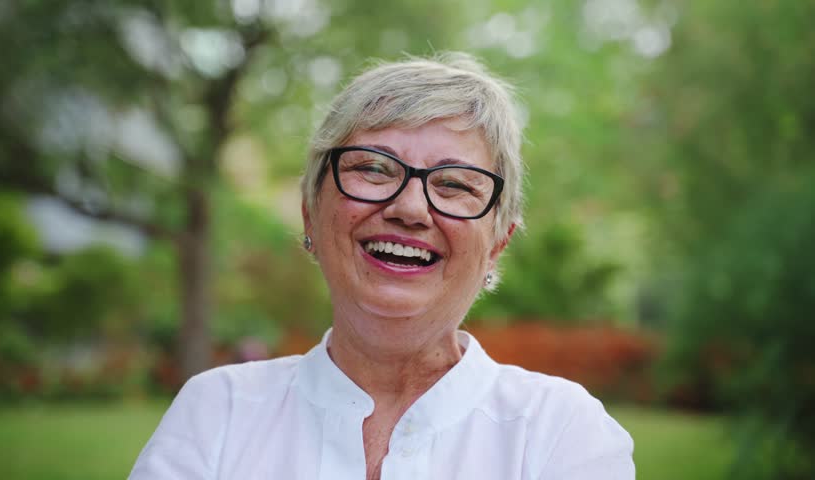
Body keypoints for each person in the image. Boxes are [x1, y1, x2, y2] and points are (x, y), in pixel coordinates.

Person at [129, 52, 634, 480]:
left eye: (454, 184)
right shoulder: (218, 412)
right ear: (310, 214)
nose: (410, 209)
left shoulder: (560, 431)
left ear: (498, 244)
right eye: (372, 168)